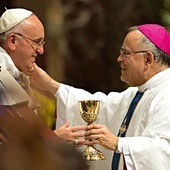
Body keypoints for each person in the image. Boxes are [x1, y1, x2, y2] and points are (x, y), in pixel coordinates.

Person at [30, 23, 170, 170]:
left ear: (148, 59)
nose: (119, 59)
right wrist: (50, 85)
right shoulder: (137, 93)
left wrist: (117, 143)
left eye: (125, 53)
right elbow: (102, 107)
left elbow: (163, 151)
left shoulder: (166, 94)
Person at [0, 8, 85, 146]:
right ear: (13, 41)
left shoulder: (13, 75)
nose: (41, 50)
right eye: (36, 42)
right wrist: (52, 139)